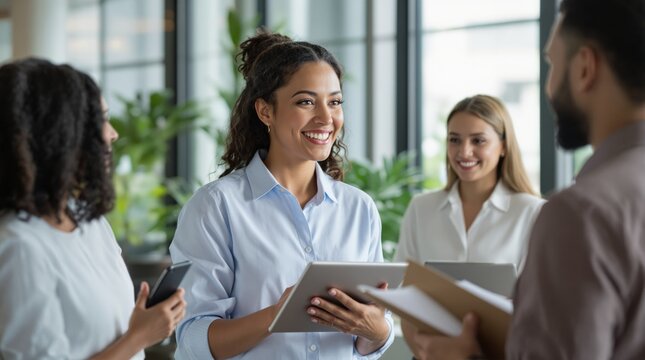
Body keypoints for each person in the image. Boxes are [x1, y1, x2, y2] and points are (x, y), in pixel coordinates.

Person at [411, 0, 645, 358]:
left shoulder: (582, 213)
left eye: (552, 63)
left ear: (584, 67)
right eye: (455, 140)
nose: (549, 86)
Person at [169, 32, 394, 359]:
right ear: (265, 112)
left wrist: (377, 330)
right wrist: (278, 314)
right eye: (306, 101)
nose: (326, 118)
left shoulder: (358, 208)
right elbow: (193, 339)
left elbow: (367, 342)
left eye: (334, 102)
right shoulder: (217, 207)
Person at [0, 58, 187, 359]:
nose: (112, 134)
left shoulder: (90, 222)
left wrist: (146, 321)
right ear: (57, 135)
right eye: (100, 120)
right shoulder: (18, 247)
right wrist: (138, 337)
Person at [394, 95, 544, 358]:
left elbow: (537, 308)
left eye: (478, 140)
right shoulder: (422, 209)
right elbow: (405, 294)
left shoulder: (532, 212)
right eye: (455, 140)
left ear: (503, 146)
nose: (464, 152)